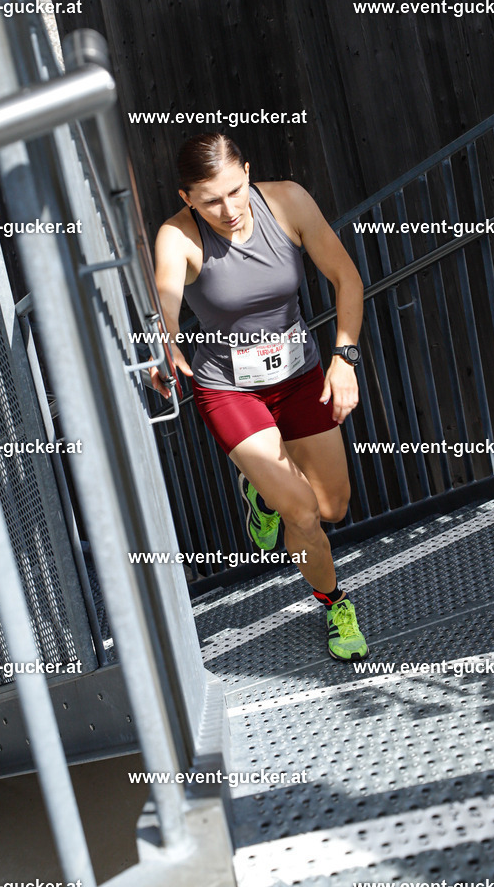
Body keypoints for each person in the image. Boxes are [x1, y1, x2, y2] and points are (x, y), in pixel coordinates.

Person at [151, 133, 368, 661]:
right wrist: (165, 346)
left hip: (299, 376)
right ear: (186, 198)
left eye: (235, 191)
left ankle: (261, 494)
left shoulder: (288, 201)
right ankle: (335, 604)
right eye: (210, 201)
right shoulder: (177, 237)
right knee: (302, 514)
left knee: (332, 507)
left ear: (248, 172)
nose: (228, 210)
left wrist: (345, 357)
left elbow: (346, 278)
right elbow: (166, 304)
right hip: (229, 390)